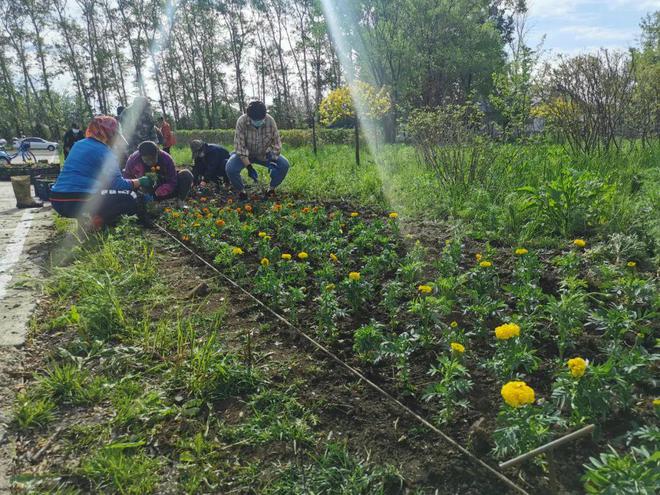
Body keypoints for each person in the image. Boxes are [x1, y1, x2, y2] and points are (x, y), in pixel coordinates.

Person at [49, 115, 153, 227]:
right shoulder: (105, 153)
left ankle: (85, 220)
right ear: (109, 134)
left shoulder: (78, 145)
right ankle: (96, 223)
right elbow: (118, 185)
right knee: (132, 196)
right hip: (78, 201)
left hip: (57, 199)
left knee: (101, 191)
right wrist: (140, 181)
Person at [225, 100, 289, 200]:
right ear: (249, 116)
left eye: (261, 119)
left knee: (284, 165)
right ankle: (242, 192)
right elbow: (240, 147)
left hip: (264, 154)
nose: (258, 122)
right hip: (246, 155)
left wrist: (273, 160)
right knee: (230, 167)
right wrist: (249, 167)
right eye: (255, 120)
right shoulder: (241, 121)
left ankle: (271, 189)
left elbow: (277, 143)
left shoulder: (270, 121)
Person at [123, 141, 192, 206]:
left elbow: (172, 181)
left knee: (186, 175)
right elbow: (127, 177)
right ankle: (146, 203)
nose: (150, 163)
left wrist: (158, 192)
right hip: (145, 189)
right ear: (141, 156)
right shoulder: (133, 160)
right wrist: (138, 188)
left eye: (152, 159)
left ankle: (180, 202)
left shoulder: (166, 158)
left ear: (157, 153)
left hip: (164, 187)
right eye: (146, 160)